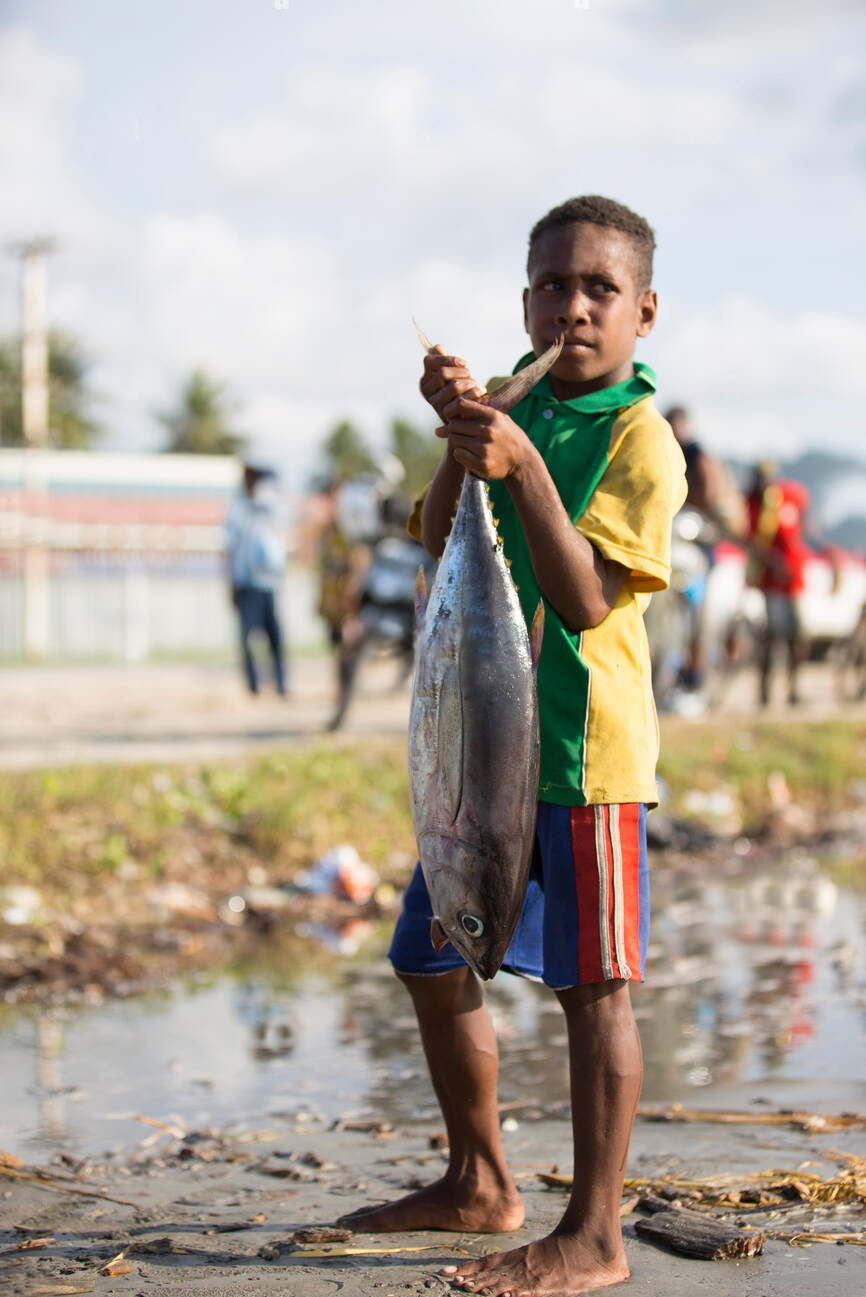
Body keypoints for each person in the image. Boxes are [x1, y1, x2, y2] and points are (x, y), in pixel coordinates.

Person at [338, 195, 686, 1297]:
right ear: (523, 297)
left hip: (583, 754)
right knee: (431, 950)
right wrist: (464, 434)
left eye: (597, 290)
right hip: (475, 751)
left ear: (642, 311)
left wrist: (521, 461)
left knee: (594, 988)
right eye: (550, 285)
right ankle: (480, 1178)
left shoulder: (639, 437)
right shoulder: (510, 398)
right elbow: (444, 539)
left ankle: (594, 1234)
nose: (570, 307)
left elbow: (583, 604)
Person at [662, 406, 746, 695]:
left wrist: (686, 503)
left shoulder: (697, 455)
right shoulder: (666, 449)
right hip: (677, 537)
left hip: (699, 541)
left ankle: (695, 673)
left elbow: (710, 495)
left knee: (701, 608)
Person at [745, 461, 811, 706]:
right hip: (770, 582)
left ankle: (793, 691)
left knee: (797, 637)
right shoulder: (753, 507)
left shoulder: (788, 498)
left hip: (794, 581)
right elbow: (753, 543)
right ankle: (765, 694)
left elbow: (802, 529)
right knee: (771, 637)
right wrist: (773, 564)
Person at [225, 464, 287, 696]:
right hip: (247, 584)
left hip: (269, 582)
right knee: (248, 639)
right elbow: (230, 547)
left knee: (276, 638)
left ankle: (281, 684)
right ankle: (253, 686)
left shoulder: (271, 507)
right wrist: (231, 583)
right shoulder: (237, 509)